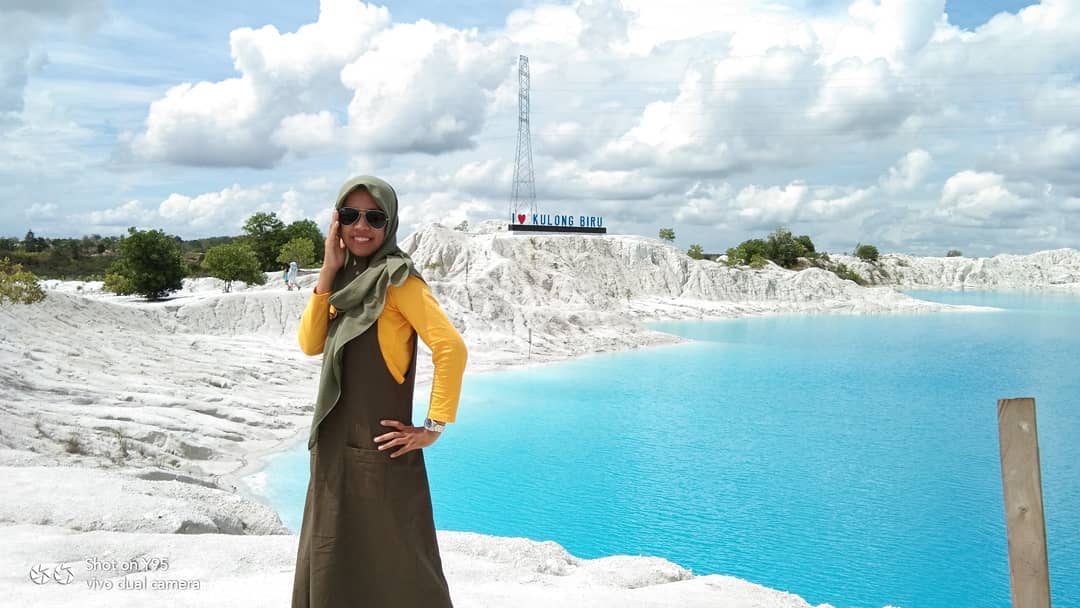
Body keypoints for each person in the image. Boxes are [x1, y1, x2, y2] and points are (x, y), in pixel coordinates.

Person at [291, 175, 467, 608]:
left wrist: (433, 426)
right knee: (333, 552)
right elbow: (311, 343)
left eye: (374, 216)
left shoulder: (397, 279)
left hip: (380, 452)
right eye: (350, 215)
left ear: (389, 224)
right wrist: (328, 269)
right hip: (334, 449)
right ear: (337, 222)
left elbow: (450, 348)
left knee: (400, 562)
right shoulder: (347, 281)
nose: (361, 226)